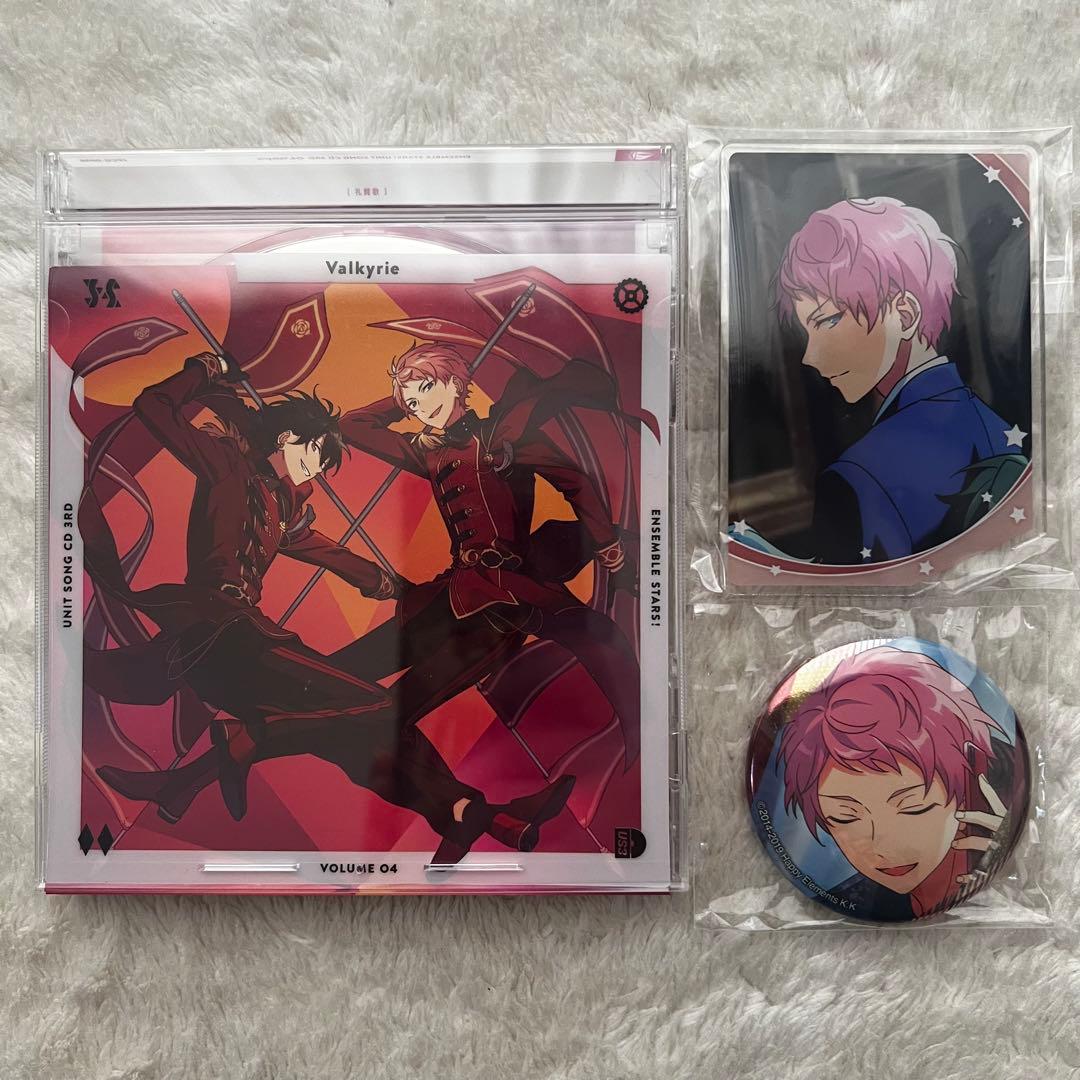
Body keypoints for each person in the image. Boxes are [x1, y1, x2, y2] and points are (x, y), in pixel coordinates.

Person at [91, 352, 570, 861]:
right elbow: (153, 406)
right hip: (221, 635)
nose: (319, 470)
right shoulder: (225, 466)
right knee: (379, 708)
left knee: (356, 743)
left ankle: (472, 814)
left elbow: (330, 554)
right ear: (288, 438)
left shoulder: (280, 506)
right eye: (319, 454)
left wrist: (396, 587)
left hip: (247, 647)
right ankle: (247, 739)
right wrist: (205, 370)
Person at [761, 196, 1027, 563]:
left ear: (904, 314)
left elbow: (850, 597)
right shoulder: (994, 426)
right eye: (807, 331)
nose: (810, 356)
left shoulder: (856, 478)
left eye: (828, 321)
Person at [777, 646, 1013, 919]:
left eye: (914, 807)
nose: (883, 848)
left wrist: (999, 850)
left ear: (969, 789)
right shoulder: (849, 894)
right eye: (844, 816)